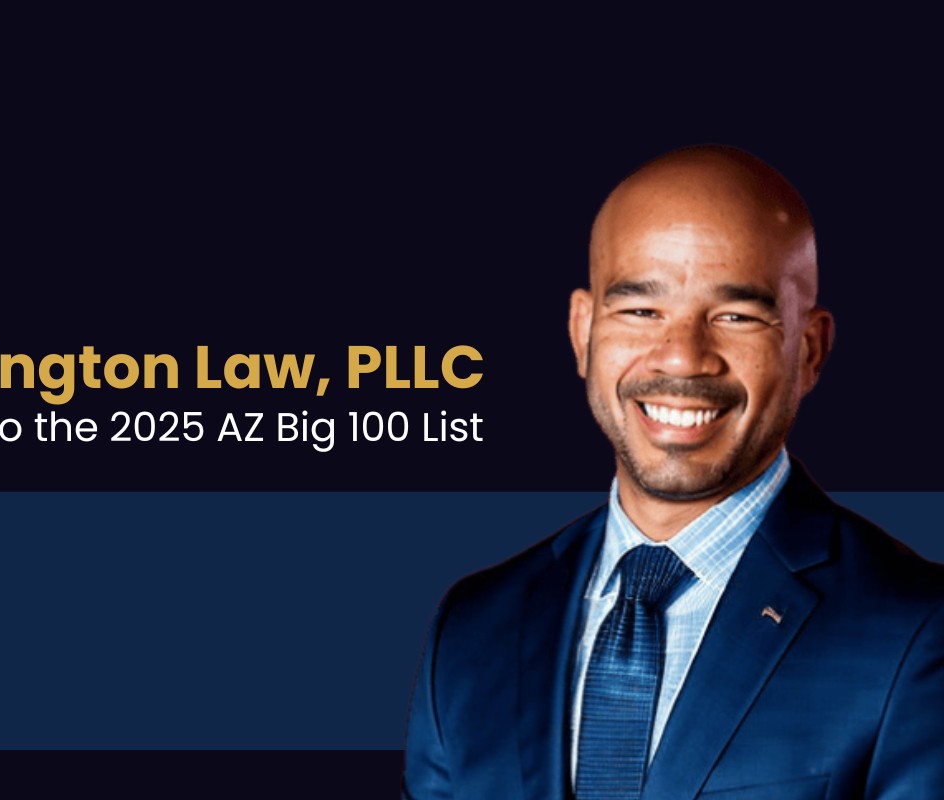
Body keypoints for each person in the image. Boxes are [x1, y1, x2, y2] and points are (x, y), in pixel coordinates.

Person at [402, 145, 944, 799]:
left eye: (736, 316)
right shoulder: (472, 627)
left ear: (808, 349)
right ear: (583, 332)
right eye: (640, 311)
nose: (684, 358)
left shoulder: (916, 631)